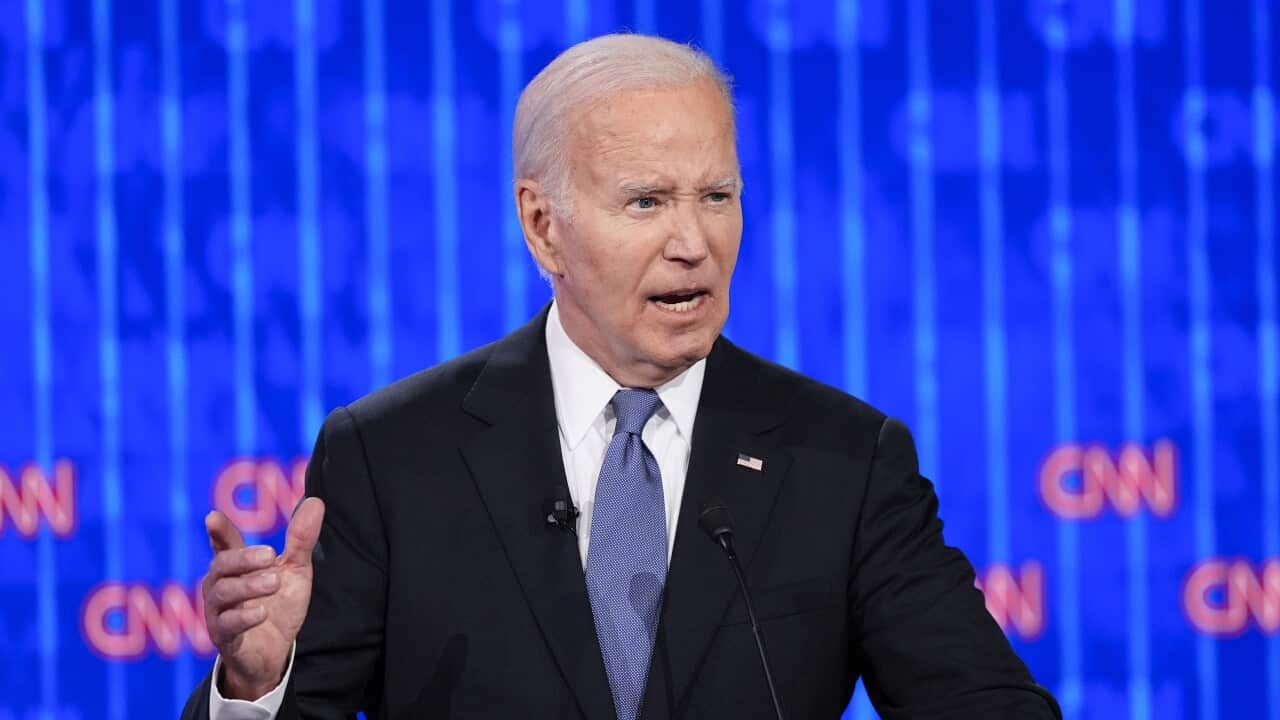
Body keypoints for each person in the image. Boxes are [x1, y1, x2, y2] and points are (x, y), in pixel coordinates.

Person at [183, 33, 1061, 720]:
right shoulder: (391, 456)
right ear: (543, 227)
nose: (694, 241)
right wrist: (257, 688)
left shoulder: (844, 459)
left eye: (717, 196)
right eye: (647, 201)